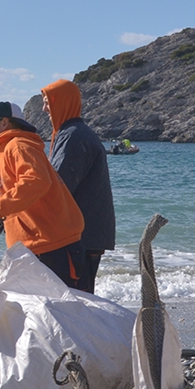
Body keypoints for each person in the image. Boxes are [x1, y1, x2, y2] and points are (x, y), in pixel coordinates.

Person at [0, 100, 88, 286]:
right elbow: (26, 192)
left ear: (4, 123)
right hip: (35, 249)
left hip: (52, 249)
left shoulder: (18, 145)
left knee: (59, 304)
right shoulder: (8, 149)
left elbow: (36, 181)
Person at [40, 79, 115, 293]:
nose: (44, 109)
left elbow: (58, 186)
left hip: (80, 237)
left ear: (63, 102)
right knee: (78, 297)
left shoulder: (73, 136)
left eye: (48, 102)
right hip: (88, 234)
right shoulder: (72, 133)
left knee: (75, 300)